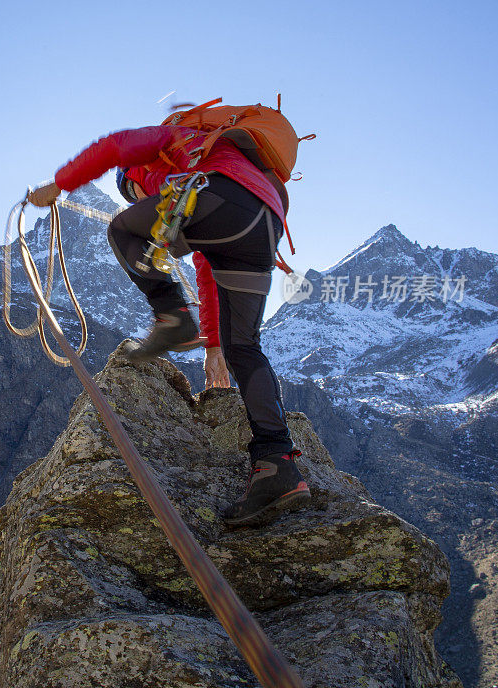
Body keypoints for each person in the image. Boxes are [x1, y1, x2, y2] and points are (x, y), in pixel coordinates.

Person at [28, 120, 310, 527]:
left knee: (123, 229)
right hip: (264, 222)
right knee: (243, 348)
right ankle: (277, 465)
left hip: (220, 198)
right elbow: (207, 268)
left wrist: (59, 184)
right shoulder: (215, 156)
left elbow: (115, 144)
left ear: (136, 180)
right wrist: (215, 346)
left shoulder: (174, 142)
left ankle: (171, 316)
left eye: (131, 191)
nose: (137, 198)